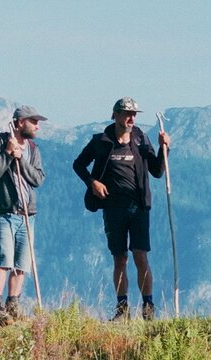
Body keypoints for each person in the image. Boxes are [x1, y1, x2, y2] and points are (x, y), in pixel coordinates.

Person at [73, 97, 170, 321]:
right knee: (120, 258)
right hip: (112, 208)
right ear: (115, 114)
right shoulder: (101, 141)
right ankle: (122, 308)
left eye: (134, 114)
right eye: (127, 113)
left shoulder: (141, 140)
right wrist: (93, 183)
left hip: (139, 208)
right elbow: (78, 164)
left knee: (141, 256)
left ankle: (148, 307)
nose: (131, 118)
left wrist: (165, 150)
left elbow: (156, 171)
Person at [0, 105, 47, 322]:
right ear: (20, 123)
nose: (37, 126)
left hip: (27, 214)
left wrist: (21, 158)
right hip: (4, 212)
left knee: (22, 264)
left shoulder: (33, 149)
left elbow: (38, 179)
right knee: (4, 259)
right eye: (34, 121)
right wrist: (8, 154)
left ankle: (13, 304)